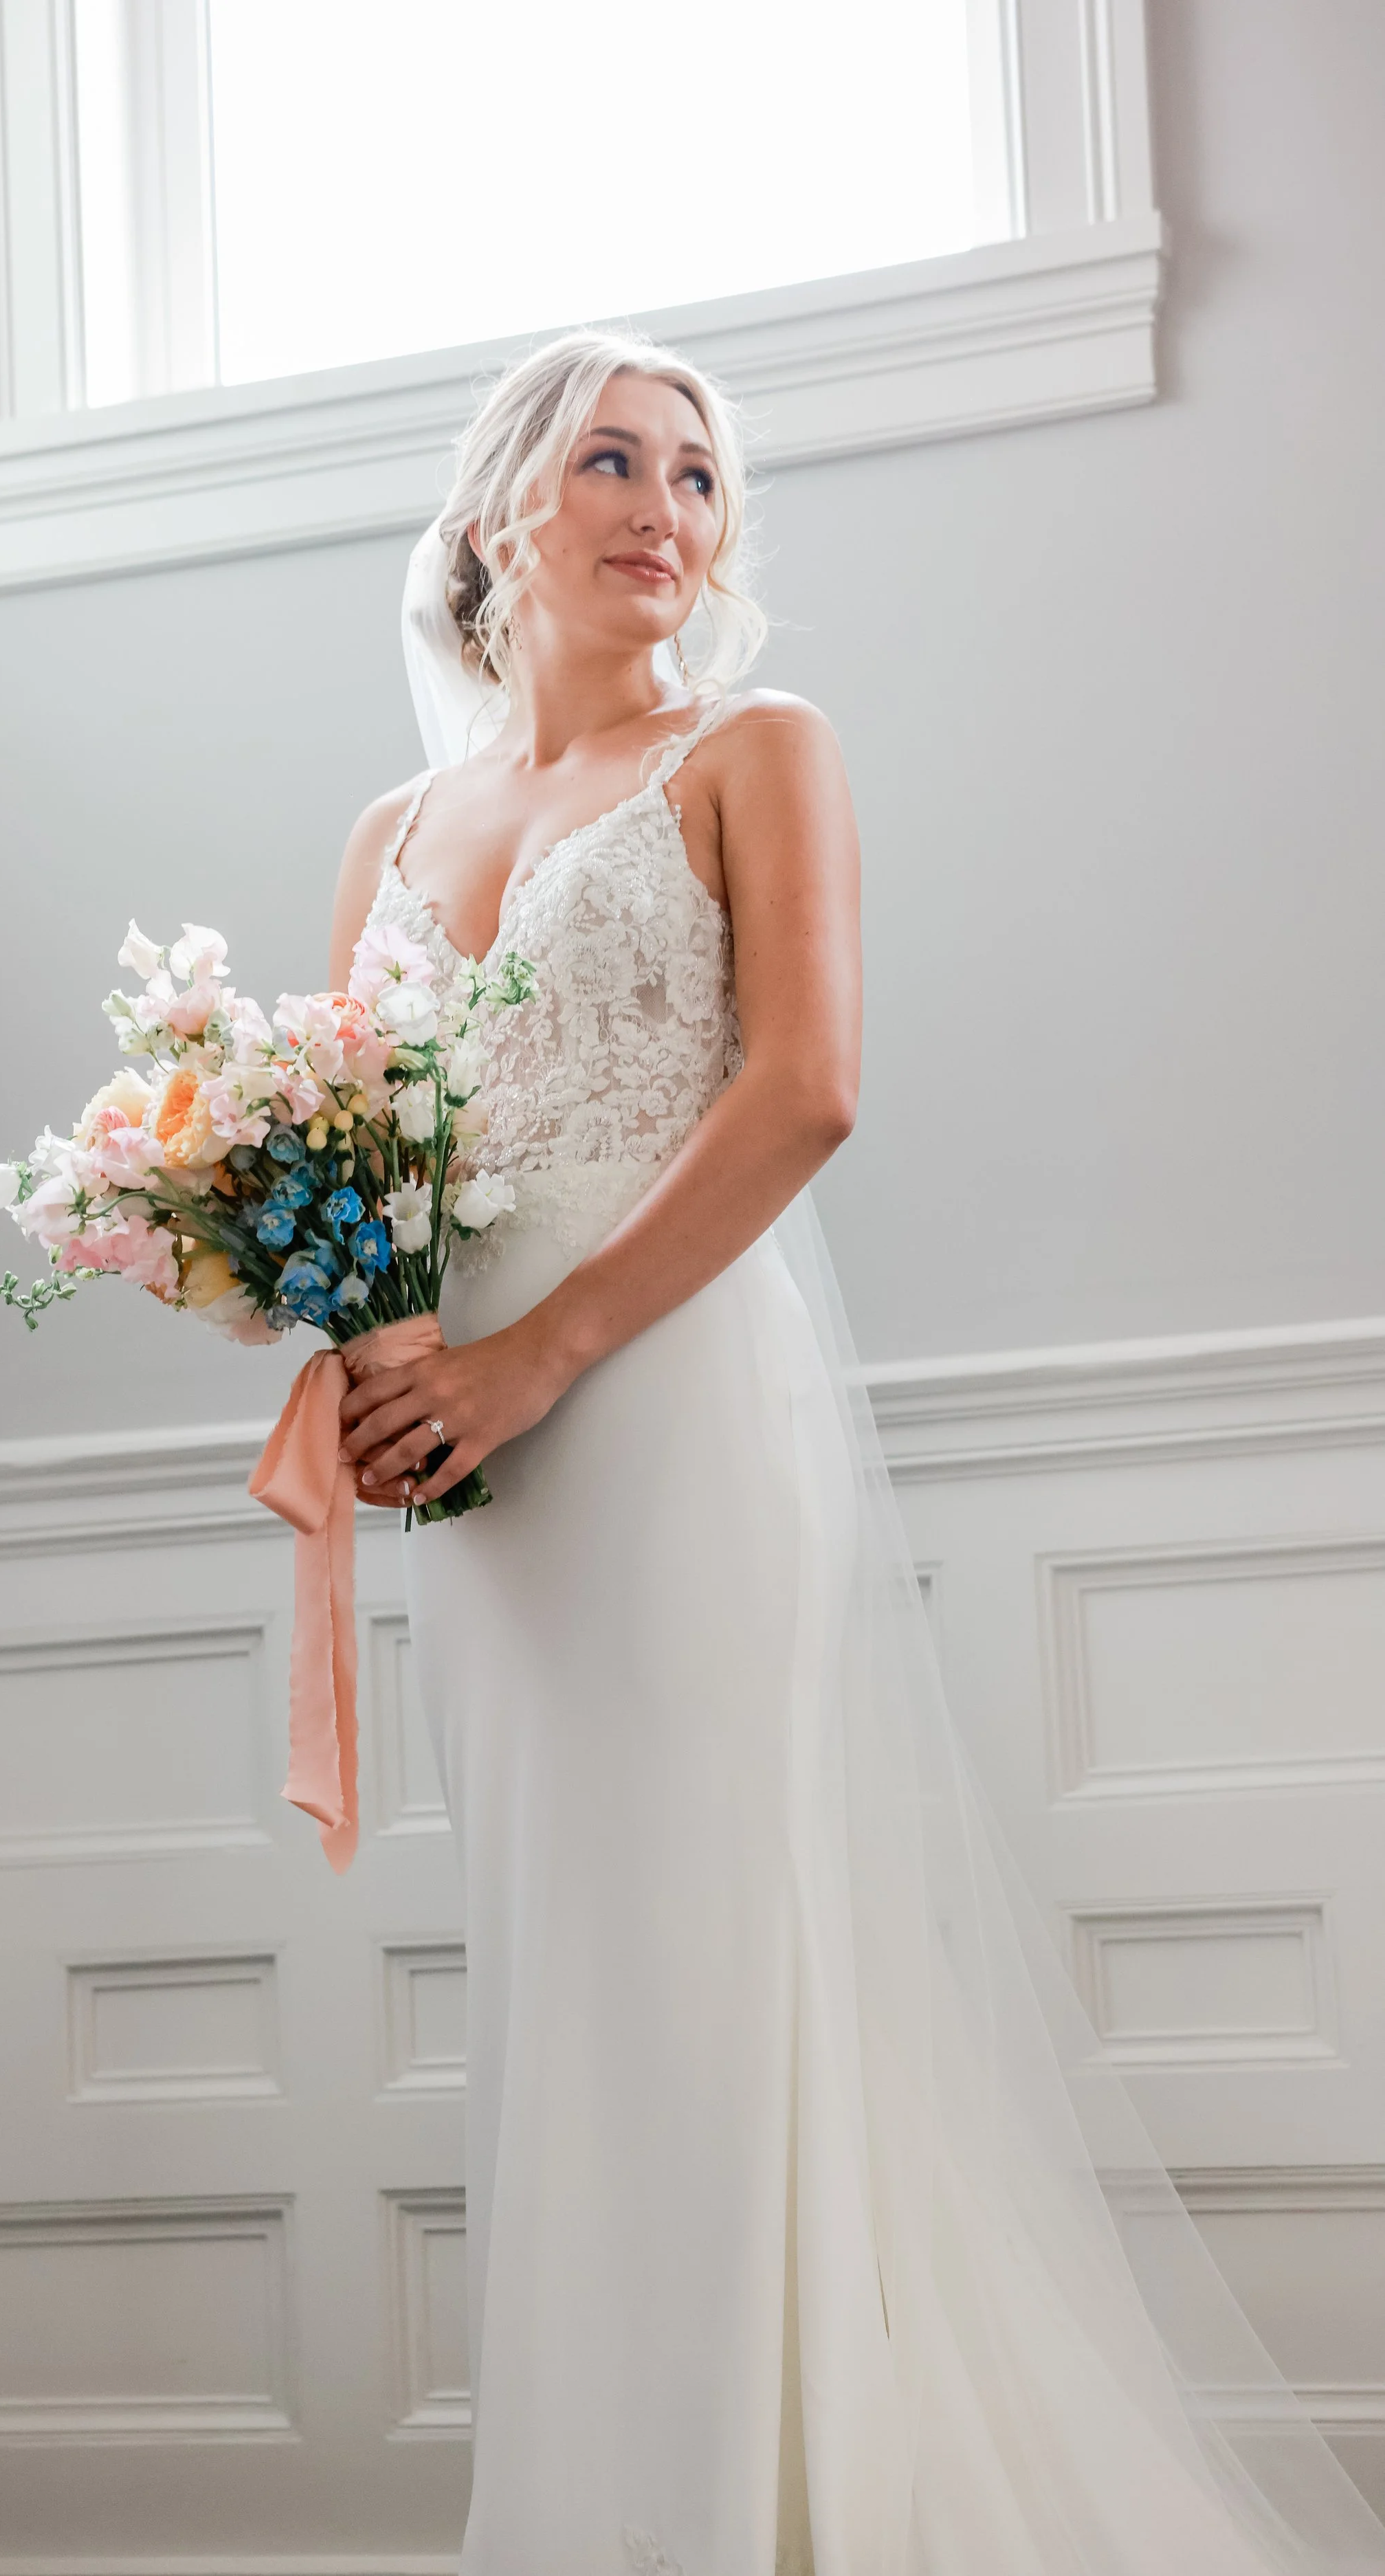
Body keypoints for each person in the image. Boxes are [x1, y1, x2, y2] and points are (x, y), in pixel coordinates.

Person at [323, 330, 1385, 2576]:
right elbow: (350, 1167)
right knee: (559, 1981)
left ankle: (748, 2520)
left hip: (675, 1421)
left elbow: (804, 1088)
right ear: (501, 505)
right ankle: (594, 2514)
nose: (663, 506)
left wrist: (542, 1359)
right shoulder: (389, 837)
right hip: (476, 1490)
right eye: (611, 458)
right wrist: (362, 1352)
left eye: (699, 477)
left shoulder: (753, 749)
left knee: (707, 1966)